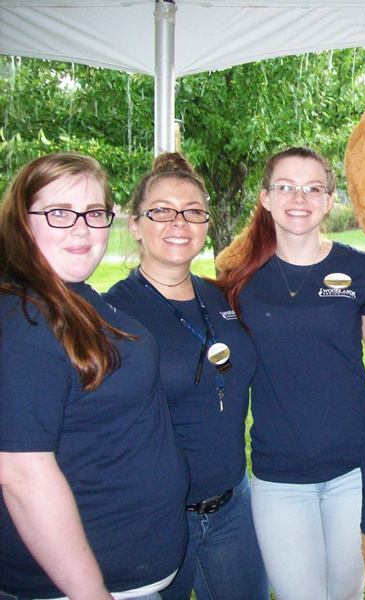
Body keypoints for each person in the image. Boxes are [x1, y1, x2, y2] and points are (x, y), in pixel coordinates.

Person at [0, 153, 189, 600]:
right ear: (23, 224)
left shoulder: (73, 297)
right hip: (77, 587)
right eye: (59, 213)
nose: (81, 228)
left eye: (94, 213)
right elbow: (21, 474)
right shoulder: (25, 321)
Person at [104, 153, 268, 600]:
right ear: (135, 224)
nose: (179, 222)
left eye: (193, 211)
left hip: (234, 505)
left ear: (206, 224)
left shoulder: (222, 297)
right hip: (158, 518)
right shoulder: (111, 314)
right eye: (161, 210)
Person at [217, 146, 365, 600]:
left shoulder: (359, 268)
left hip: (354, 469)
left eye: (313, 188)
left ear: (330, 200)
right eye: (285, 186)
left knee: (346, 593)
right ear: (266, 197)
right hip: (278, 475)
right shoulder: (238, 276)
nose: (299, 197)